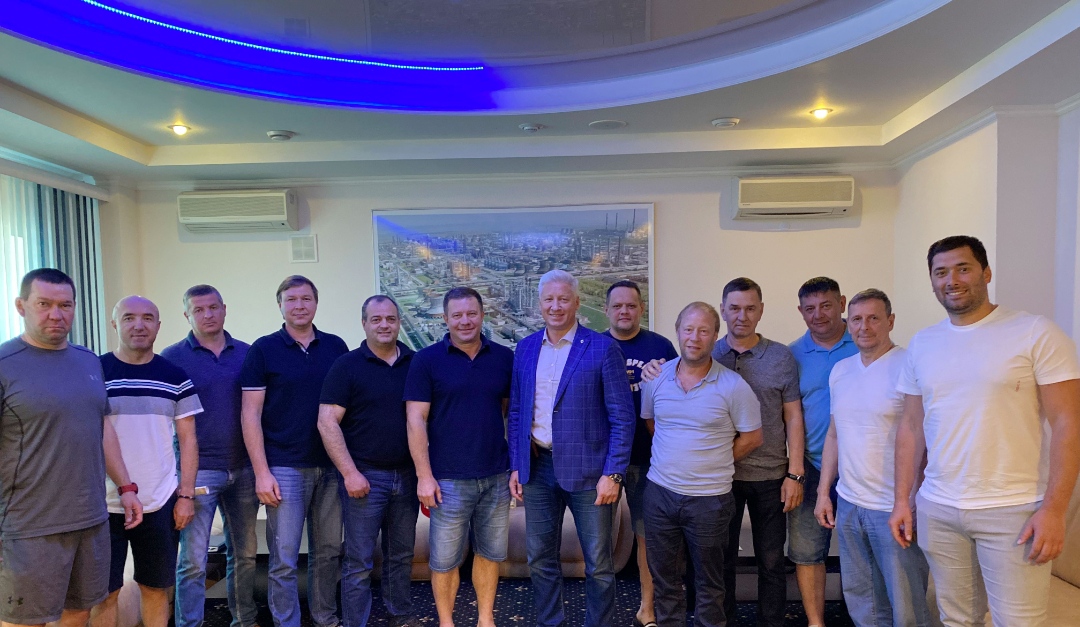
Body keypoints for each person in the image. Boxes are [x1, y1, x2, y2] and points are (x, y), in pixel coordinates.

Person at [890, 235, 1080, 626]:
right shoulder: (923, 343)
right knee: (957, 619)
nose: (951, 280)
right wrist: (902, 500)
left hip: (1014, 508)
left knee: (1019, 622)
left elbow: (1068, 422)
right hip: (939, 507)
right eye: (941, 272)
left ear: (986, 272)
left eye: (963, 269)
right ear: (932, 280)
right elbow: (910, 427)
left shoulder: (1035, 332)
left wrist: (1054, 510)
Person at [0, 268, 141, 627]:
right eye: (44, 304)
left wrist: (126, 487)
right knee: (25, 620)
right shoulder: (5, 364)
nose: (56, 314)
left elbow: (102, 427)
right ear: (21, 306)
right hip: (28, 525)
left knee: (79, 612)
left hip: (90, 517)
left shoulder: (87, 360)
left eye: (65, 305)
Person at [506, 269, 635, 627]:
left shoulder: (603, 348)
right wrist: (516, 464)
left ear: (577, 303)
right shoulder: (526, 348)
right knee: (539, 559)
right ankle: (551, 622)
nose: (556, 306)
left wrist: (613, 474)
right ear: (540, 304)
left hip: (591, 474)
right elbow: (517, 411)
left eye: (563, 299)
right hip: (537, 469)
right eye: (549, 299)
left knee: (598, 564)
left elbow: (623, 418)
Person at [641, 301, 763, 627]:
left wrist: (715, 458)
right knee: (664, 580)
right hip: (660, 495)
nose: (694, 337)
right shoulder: (656, 378)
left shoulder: (734, 386)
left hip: (710, 501)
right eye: (689, 329)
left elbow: (753, 438)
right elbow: (652, 424)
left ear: (715, 336)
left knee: (710, 584)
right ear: (678, 332)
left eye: (703, 331)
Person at [814, 289, 932, 627]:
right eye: (856, 319)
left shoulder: (910, 366)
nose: (863, 327)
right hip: (850, 503)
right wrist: (824, 492)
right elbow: (834, 434)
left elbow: (924, 439)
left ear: (890, 321)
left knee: (906, 604)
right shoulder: (841, 370)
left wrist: (912, 500)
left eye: (873, 318)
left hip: (893, 507)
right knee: (862, 600)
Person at [240, 276, 348, 627]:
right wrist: (262, 472)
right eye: (291, 299)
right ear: (280, 305)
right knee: (284, 557)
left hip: (330, 467)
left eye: (306, 299)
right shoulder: (263, 349)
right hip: (284, 467)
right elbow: (250, 414)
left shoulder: (335, 347)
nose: (299, 305)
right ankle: (287, 622)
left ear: (316, 303)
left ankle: (325, 618)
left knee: (328, 552)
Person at [405, 287, 514, 627]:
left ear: (482, 315)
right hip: (447, 480)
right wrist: (424, 476)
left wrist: (514, 468)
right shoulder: (426, 360)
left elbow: (509, 412)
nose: (465, 321)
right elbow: (415, 419)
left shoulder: (504, 358)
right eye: (457, 315)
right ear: (445, 318)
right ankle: (446, 622)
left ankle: (485, 619)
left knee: (490, 554)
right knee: (444, 561)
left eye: (471, 313)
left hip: (495, 476)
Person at [95, 296, 202, 627]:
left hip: (159, 501)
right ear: (115, 324)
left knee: (156, 589)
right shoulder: (94, 372)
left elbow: (189, 440)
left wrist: (185, 495)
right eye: (129, 318)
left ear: (158, 325)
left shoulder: (175, 376)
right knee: (105, 594)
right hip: (102, 503)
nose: (138, 325)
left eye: (147, 318)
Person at [318, 295, 419, 627]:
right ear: (364, 324)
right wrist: (350, 473)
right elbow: (327, 422)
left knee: (401, 555)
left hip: (408, 476)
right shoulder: (346, 366)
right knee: (359, 561)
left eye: (390, 318)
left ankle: (400, 614)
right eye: (376, 319)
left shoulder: (416, 364)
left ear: (398, 322)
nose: (384, 325)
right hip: (364, 477)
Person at [162, 285, 259, 627]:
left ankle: (244, 619)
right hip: (197, 472)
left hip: (244, 468)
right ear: (187, 316)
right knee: (193, 561)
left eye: (213, 307)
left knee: (245, 555)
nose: (208, 315)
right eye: (199, 310)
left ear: (224, 309)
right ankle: (190, 623)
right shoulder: (172, 358)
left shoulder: (248, 353)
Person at [713, 278, 805, 627]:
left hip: (771, 476)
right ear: (723, 310)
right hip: (723, 477)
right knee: (722, 560)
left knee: (771, 561)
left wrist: (795, 473)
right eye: (735, 308)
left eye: (750, 308)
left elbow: (793, 416)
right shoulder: (709, 354)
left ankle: (772, 622)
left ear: (761, 310)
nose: (742, 316)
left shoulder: (780, 356)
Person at [602, 279, 677, 627]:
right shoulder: (594, 346)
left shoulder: (661, 346)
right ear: (607, 310)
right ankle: (602, 612)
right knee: (598, 542)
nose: (624, 311)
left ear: (641, 309)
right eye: (617, 306)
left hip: (650, 461)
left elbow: (679, 397)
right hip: (603, 463)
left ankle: (647, 608)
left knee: (649, 538)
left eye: (631, 305)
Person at [788, 276, 857, 627]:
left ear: (842, 304)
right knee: (807, 551)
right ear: (801, 312)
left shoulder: (865, 342)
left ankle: (862, 619)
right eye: (810, 308)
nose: (818, 315)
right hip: (811, 466)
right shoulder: (792, 355)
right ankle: (816, 622)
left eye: (826, 305)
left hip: (862, 468)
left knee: (860, 551)